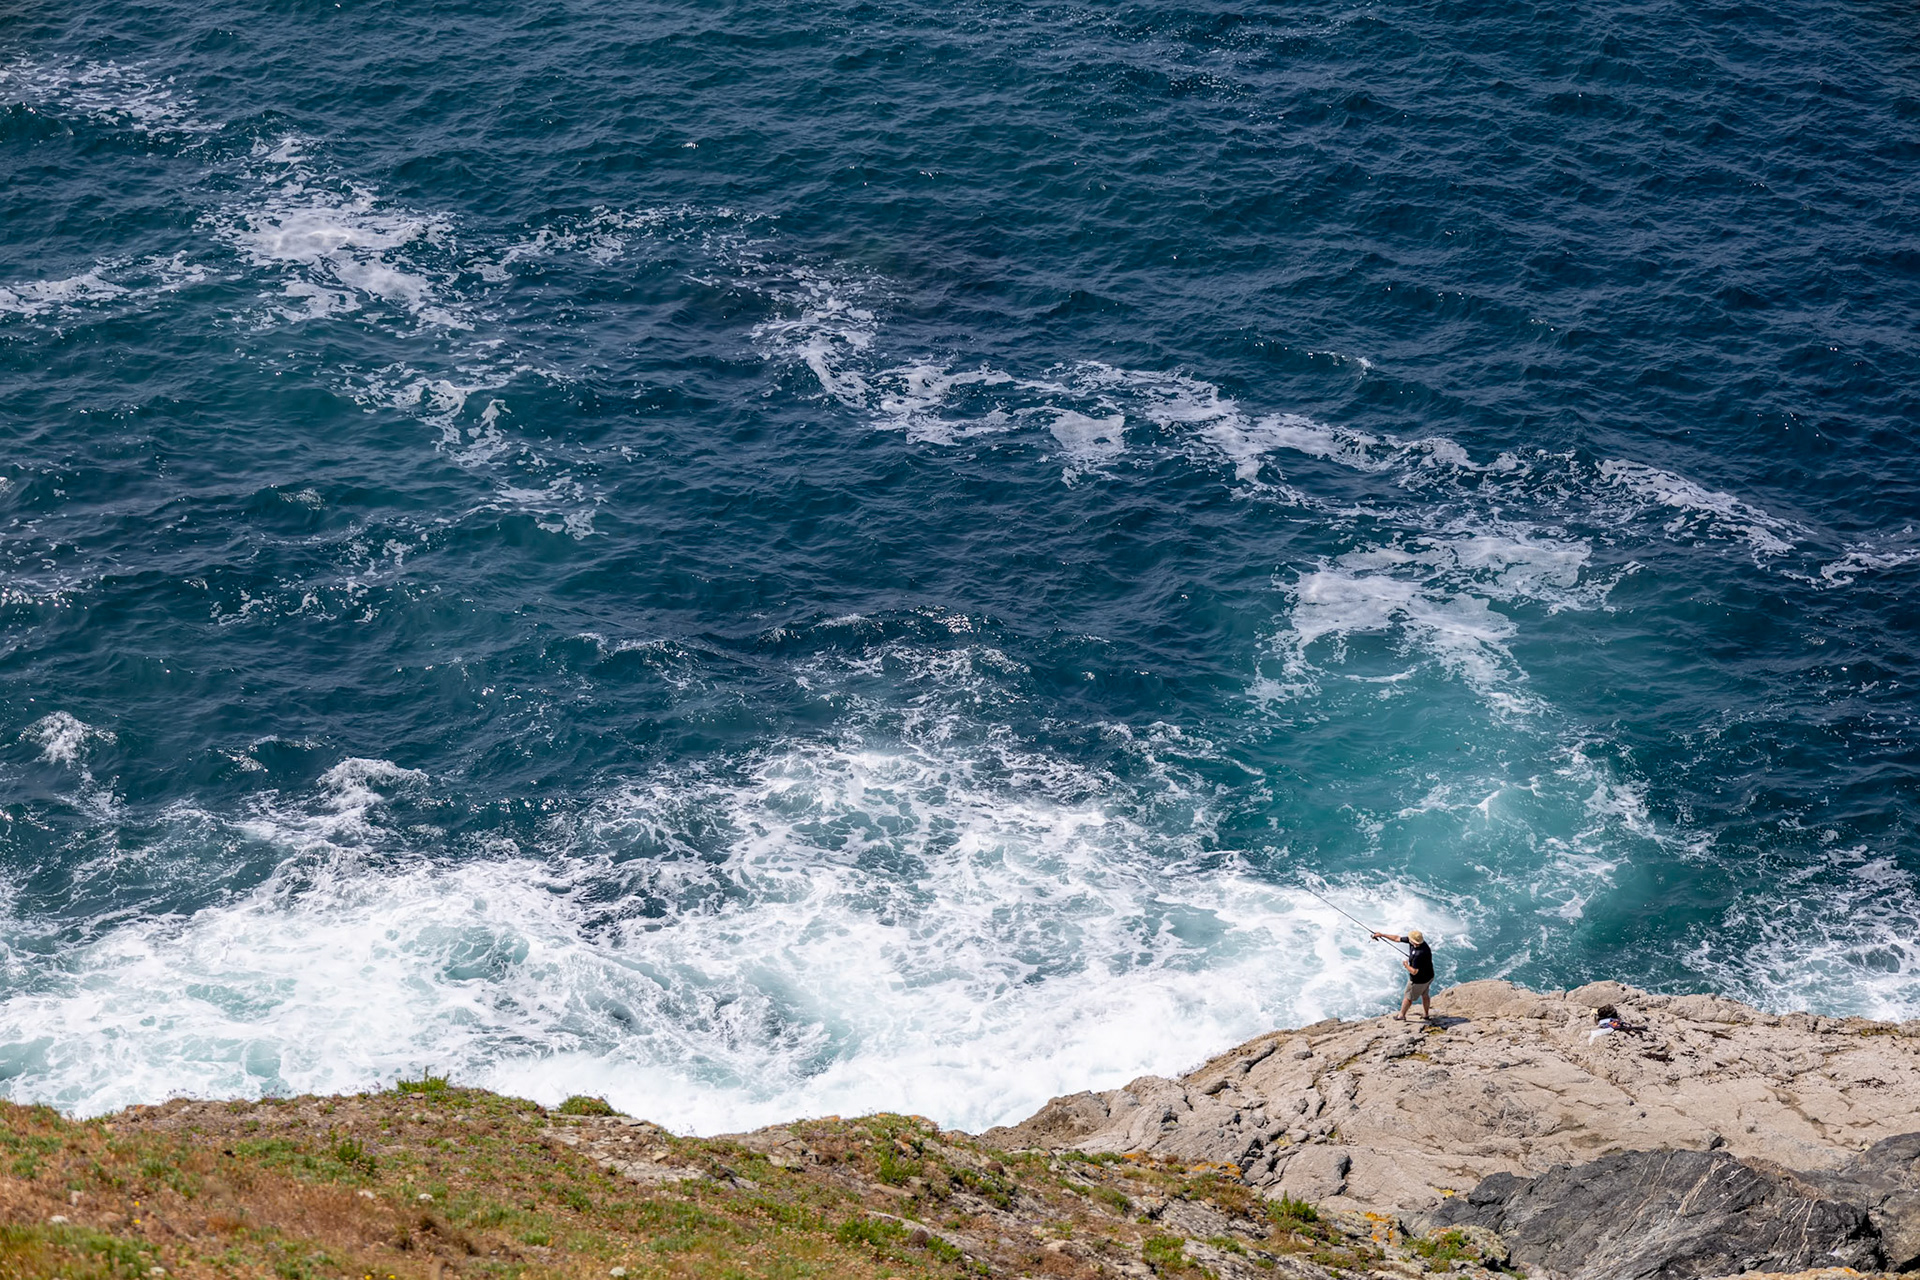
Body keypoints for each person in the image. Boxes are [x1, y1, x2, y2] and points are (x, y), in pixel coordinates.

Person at [1369, 928, 1435, 1022]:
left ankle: (1401, 1016)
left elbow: (1414, 971)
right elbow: (1397, 938)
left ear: (1414, 942)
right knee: (1425, 994)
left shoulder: (1419, 954)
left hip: (1419, 980)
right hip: (1429, 976)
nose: (1409, 939)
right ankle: (1426, 1014)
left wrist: (1406, 965)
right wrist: (1382, 935)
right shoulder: (1421, 944)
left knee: (1408, 997)